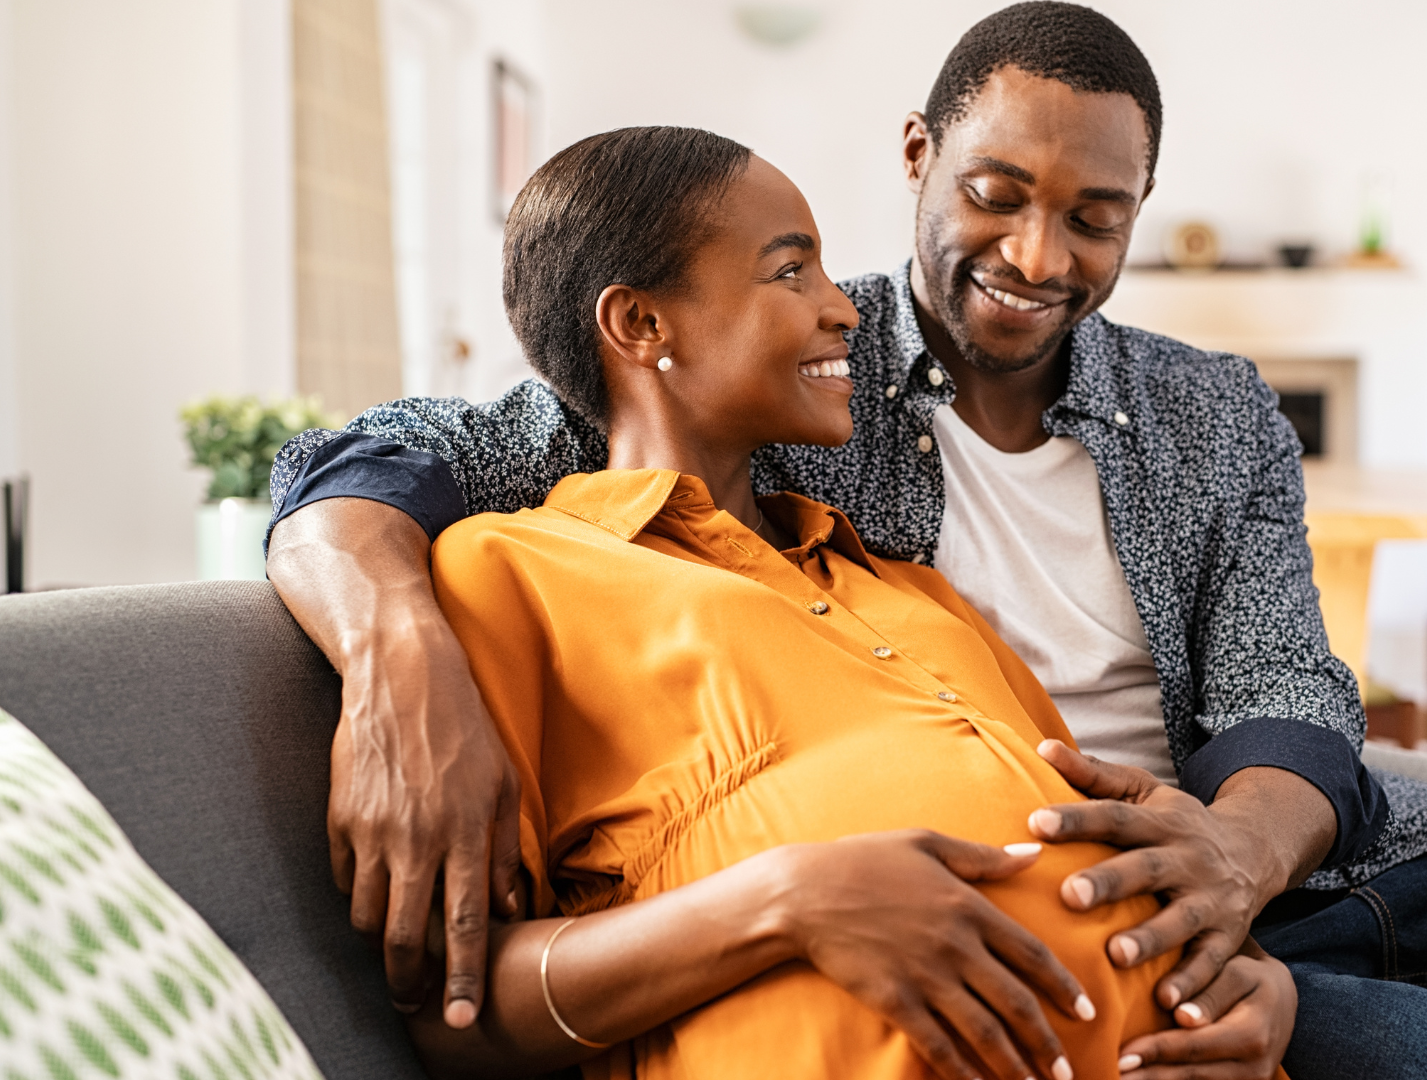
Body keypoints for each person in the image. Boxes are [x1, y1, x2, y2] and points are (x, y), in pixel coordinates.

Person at [268, 3, 1427, 1077]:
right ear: (917, 160)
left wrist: (1235, 849)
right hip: (1070, 928)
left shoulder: (1209, 410)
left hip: (1276, 858)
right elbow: (371, 457)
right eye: (999, 193)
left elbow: (1293, 689)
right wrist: (398, 637)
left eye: (1096, 216)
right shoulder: (790, 372)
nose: (1039, 253)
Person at [402, 122, 1296, 1080]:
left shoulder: (912, 593)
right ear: (641, 325)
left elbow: (1104, 836)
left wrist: (1256, 981)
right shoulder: (511, 573)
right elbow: (452, 1014)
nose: (844, 308)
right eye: (791, 271)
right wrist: (785, 898)